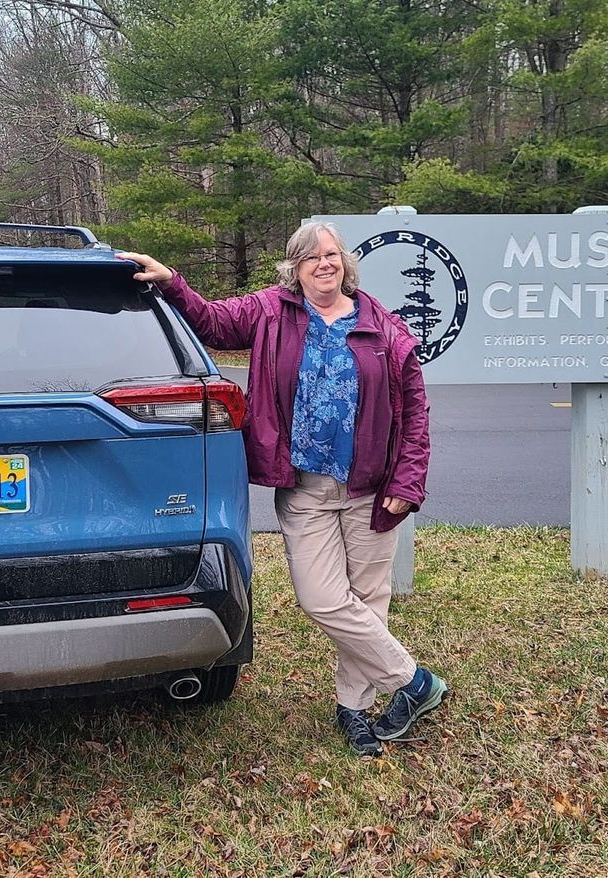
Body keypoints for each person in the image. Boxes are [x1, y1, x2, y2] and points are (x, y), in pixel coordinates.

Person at [118, 223, 447, 756]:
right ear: (294, 266)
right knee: (321, 597)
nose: (325, 264)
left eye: (333, 255)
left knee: (367, 600)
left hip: (370, 487)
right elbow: (211, 322)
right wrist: (171, 282)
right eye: (313, 256)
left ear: (345, 262)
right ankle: (413, 682)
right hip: (306, 489)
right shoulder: (272, 311)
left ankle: (354, 708)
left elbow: (415, 414)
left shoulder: (383, 328)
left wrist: (409, 481)